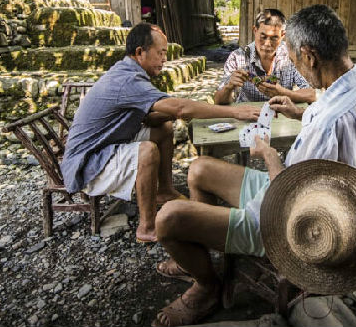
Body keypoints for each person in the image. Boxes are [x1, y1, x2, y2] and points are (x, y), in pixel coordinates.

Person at [152, 5, 356, 327]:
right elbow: (328, 123)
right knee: (199, 168)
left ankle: (207, 285)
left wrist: (268, 154)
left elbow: (289, 200)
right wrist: (297, 112)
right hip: (327, 195)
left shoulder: (328, 123)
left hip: (297, 223)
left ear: (310, 56)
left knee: (166, 218)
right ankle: (202, 255)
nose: (292, 64)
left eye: (292, 57)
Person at [60, 23, 260, 243]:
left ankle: (164, 190)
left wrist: (176, 113)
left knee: (163, 128)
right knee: (146, 151)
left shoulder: (128, 71)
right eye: (160, 53)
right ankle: (146, 227)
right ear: (140, 52)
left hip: (107, 145)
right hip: (87, 164)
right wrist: (233, 113)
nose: (165, 59)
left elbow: (153, 117)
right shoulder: (127, 79)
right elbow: (180, 108)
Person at [214, 8, 316, 105]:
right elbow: (218, 101)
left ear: (283, 35)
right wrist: (229, 87)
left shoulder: (291, 55)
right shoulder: (237, 58)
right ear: (255, 30)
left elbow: (312, 94)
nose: (267, 43)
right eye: (263, 37)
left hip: (283, 115)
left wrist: (282, 93)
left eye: (274, 38)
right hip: (247, 116)